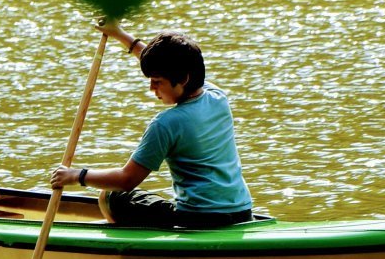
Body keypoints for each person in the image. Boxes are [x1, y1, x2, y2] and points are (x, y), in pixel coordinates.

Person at [48, 25, 261, 229]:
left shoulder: (167, 123)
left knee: (111, 196)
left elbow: (127, 180)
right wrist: (119, 34)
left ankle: (127, 251)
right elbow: (160, 63)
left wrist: (77, 175)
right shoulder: (217, 96)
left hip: (197, 220)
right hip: (243, 211)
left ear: (184, 79)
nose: (151, 89)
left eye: (157, 82)